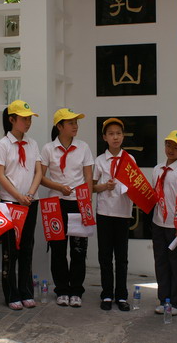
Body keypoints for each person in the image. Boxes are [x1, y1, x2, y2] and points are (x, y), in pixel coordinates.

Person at [40, 108, 94, 308]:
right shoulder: (48, 149)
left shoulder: (83, 147)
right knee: (58, 249)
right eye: (70, 123)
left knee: (79, 249)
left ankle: (76, 290)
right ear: (59, 126)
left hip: (78, 203)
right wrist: (58, 187)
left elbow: (88, 176)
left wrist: (86, 201)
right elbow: (42, 177)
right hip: (55, 203)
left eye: (76, 122)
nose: (75, 126)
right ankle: (62, 290)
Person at [0, 100, 42, 310]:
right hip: (10, 203)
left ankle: (26, 291)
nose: (28, 122)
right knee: (10, 249)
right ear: (12, 119)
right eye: (23, 118)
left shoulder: (32, 144)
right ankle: (11, 293)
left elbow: (39, 171)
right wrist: (17, 196)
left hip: (30, 201)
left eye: (29, 118)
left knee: (27, 247)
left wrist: (30, 194)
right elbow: (0, 175)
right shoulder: (3, 144)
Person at [93, 118, 133, 311]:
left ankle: (122, 296)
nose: (115, 137)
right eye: (111, 133)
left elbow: (136, 186)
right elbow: (91, 186)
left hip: (123, 213)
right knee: (105, 255)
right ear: (104, 138)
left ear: (123, 136)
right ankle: (107, 294)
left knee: (122, 257)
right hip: (105, 213)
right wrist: (104, 186)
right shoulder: (99, 161)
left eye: (118, 133)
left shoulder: (130, 160)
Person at [151, 130, 177, 316]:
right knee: (161, 263)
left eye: (176, 147)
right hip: (159, 223)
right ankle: (164, 300)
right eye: (168, 145)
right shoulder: (158, 169)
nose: (171, 149)